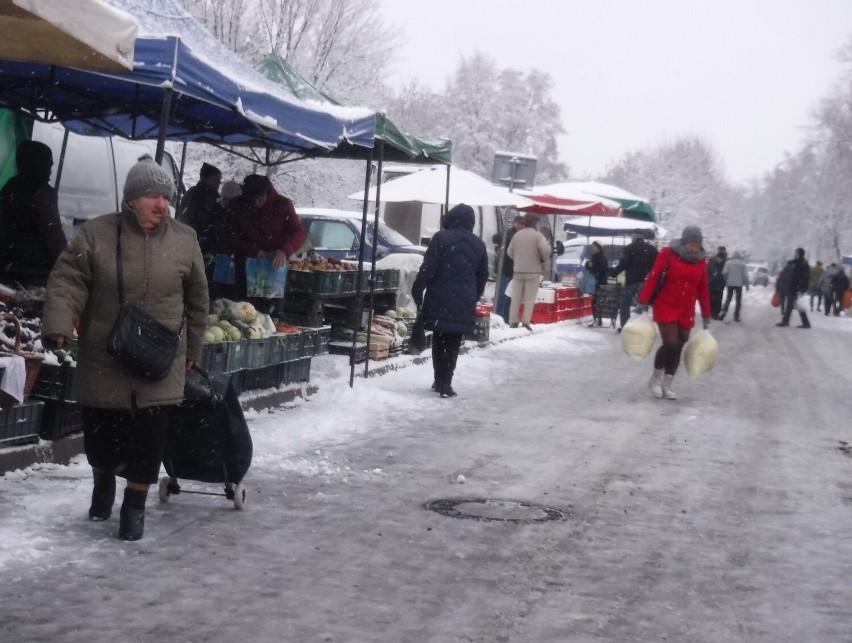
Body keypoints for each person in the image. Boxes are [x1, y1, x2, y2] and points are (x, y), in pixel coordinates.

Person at [40, 157, 209, 541]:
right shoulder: (97, 234)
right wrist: (59, 324)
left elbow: (198, 300)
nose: (161, 204)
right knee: (102, 434)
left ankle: (134, 508)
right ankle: (103, 480)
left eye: (166, 196)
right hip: (105, 355)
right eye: (153, 195)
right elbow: (68, 280)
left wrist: (193, 348)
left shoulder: (185, 240)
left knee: (151, 437)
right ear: (131, 199)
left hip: (160, 359)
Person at [411, 204, 488, 398]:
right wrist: (473, 296)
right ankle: (447, 382)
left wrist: (418, 288)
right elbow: (483, 276)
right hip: (465, 297)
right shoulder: (478, 244)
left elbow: (428, 267)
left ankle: (438, 379)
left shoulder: (441, 238)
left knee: (439, 338)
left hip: (439, 294)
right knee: (454, 341)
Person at [634, 225, 711, 400]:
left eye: (697, 245)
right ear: (684, 242)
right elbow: (654, 276)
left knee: (680, 344)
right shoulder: (669, 253)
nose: (694, 248)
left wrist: (707, 314)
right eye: (691, 244)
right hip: (666, 304)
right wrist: (643, 301)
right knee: (670, 342)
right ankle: (655, 379)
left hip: (686, 309)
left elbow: (703, 289)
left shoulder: (701, 261)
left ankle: (667, 384)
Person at [224, 174, 305, 316]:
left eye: (260, 198)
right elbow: (230, 235)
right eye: (252, 199)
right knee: (244, 312)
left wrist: (284, 251)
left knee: (272, 315)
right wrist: (254, 251)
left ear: (267, 193)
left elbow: (298, 232)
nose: (256, 202)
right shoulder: (237, 205)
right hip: (245, 266)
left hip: (274, 268)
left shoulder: (283, 205)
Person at [0, 140, 67, 286]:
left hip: (7, 266)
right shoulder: (44, 193)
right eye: (48, 164)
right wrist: (69, 262)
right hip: (36, 272)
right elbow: (54, 234)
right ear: (38, 164)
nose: (50, 169)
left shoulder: (9, 187)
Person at [178, 162, 228, 295]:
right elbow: (212, 223)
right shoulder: (209, 198)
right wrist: (211, 247)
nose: (219, 183)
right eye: (218, 180)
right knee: (201, 285)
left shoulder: (190, 194)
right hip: (203, 248)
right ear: (208, 179)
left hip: (188, 245)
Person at [506, 213, 551, 330]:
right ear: (535, 223)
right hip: (533, 271)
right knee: (529, 298)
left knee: (515, 297)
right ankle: (526, 321)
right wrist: (542, 259)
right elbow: (546, 251)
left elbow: (509, 252)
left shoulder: (517, 235)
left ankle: (513, 321)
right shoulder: (538, 236)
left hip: (518, 271)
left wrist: (518, 259)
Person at [610, 229, 658, 330]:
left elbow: (623, 264)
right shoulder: (651, 249)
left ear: (634, 237)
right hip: (646, 281)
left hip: (632, 280)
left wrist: (613, 273)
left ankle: (625, 326)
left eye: (631, 236)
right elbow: (657, 265)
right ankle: (641, 326)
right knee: (643, 304)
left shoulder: (629, 248)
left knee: (625, 302)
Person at [491, 215, 524, 322]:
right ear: (514, 223)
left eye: (522, 224)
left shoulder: (525, 236)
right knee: (502, 295)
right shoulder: (507, 233)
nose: (520, 225)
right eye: (518, 223)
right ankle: (498, 316)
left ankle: (506, 316)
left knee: (512, 296)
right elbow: (495, 238)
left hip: (517, 271)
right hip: (505, 270)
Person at [776, 248, 810, 328]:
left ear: (800, 254)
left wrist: (802, 289)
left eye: (797, 253)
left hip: (797, 288)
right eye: (795, 253)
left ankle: (786, 321)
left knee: (793, 305)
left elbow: (806, 278)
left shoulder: (803, 264)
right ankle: (804, 323)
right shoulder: (794, 263)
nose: (795, 255)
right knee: (793, 305)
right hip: (791, 286)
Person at [584, 241, 609, 327]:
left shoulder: (599, 257)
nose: (592, 248)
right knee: (597, 301)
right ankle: (597, 319)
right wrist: (588, 265)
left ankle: (597, 319)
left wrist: (591, 266)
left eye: (593, 246)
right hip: (600, 281)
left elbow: (599, 269)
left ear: (598, 247)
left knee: (596, 301)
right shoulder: (598, 256)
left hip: (598, 282)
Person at [719, 251, 749, 322]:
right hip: (739, 284)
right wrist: (747, 284)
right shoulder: (742, 263)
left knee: (728, 299)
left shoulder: (728, 262)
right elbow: (745, 276)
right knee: (738, 300)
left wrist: (726, 281)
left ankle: (723, 314)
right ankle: (736, 316)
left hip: (730, 283)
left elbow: (724, 273)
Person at [708, 248, 727, 319]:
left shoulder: (725, 263)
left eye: (721, 259)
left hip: (720, 283)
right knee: (711, 298)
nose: (719, 260)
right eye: (718, 258)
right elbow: (707, 271)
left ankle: (715, 314)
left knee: (718, 299)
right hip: (711, 283)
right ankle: (710, 312)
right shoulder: (712, 261)